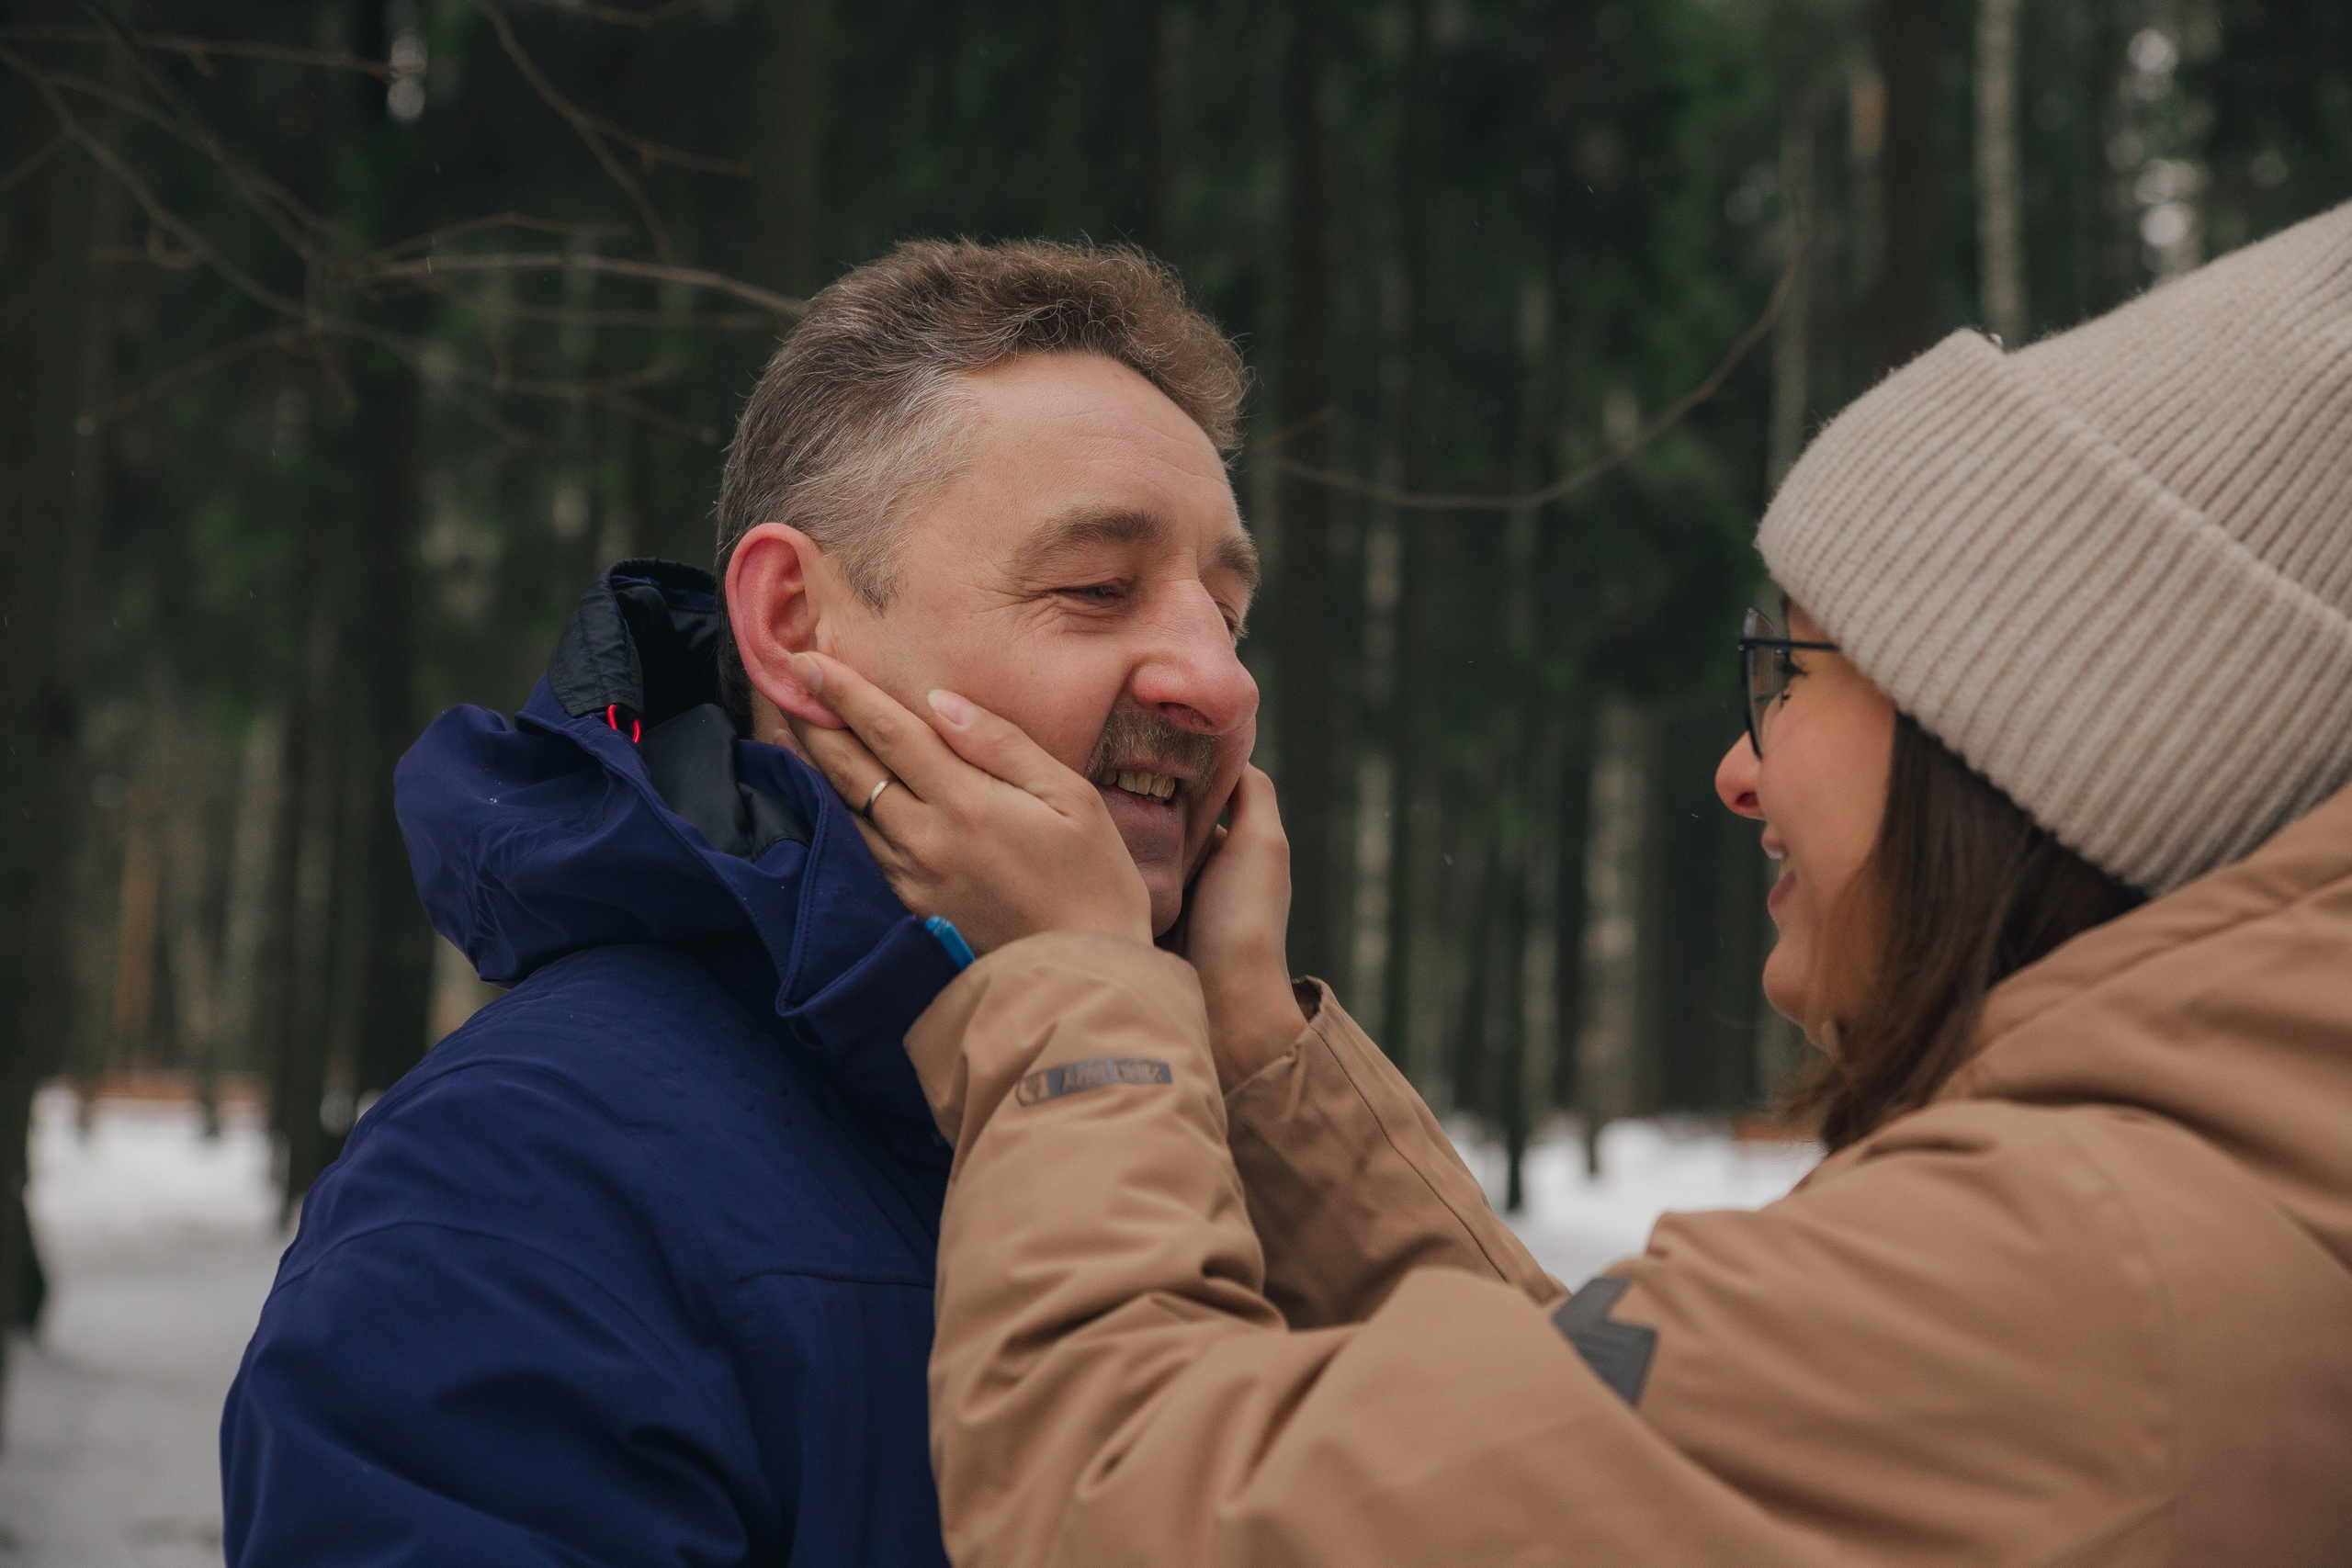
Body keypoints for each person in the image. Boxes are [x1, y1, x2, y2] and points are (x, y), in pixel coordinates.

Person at [786, 200, 2352, 1565]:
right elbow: (1561, 1450)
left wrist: (1073, 992)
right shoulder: (2214, 1220)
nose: (1740, 770)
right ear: (796, 625)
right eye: (1093, 588)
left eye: (1791, 671)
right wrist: (1250, 1054)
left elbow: (1134, 1514)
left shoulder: (2074, 1278)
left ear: (2047, 735)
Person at [220, 239, 1262, 1564]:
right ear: (794, 625)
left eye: (1230, 617)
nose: (1217, 684)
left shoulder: (1221, 1147)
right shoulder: (519, 1192)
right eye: (1097, 588)